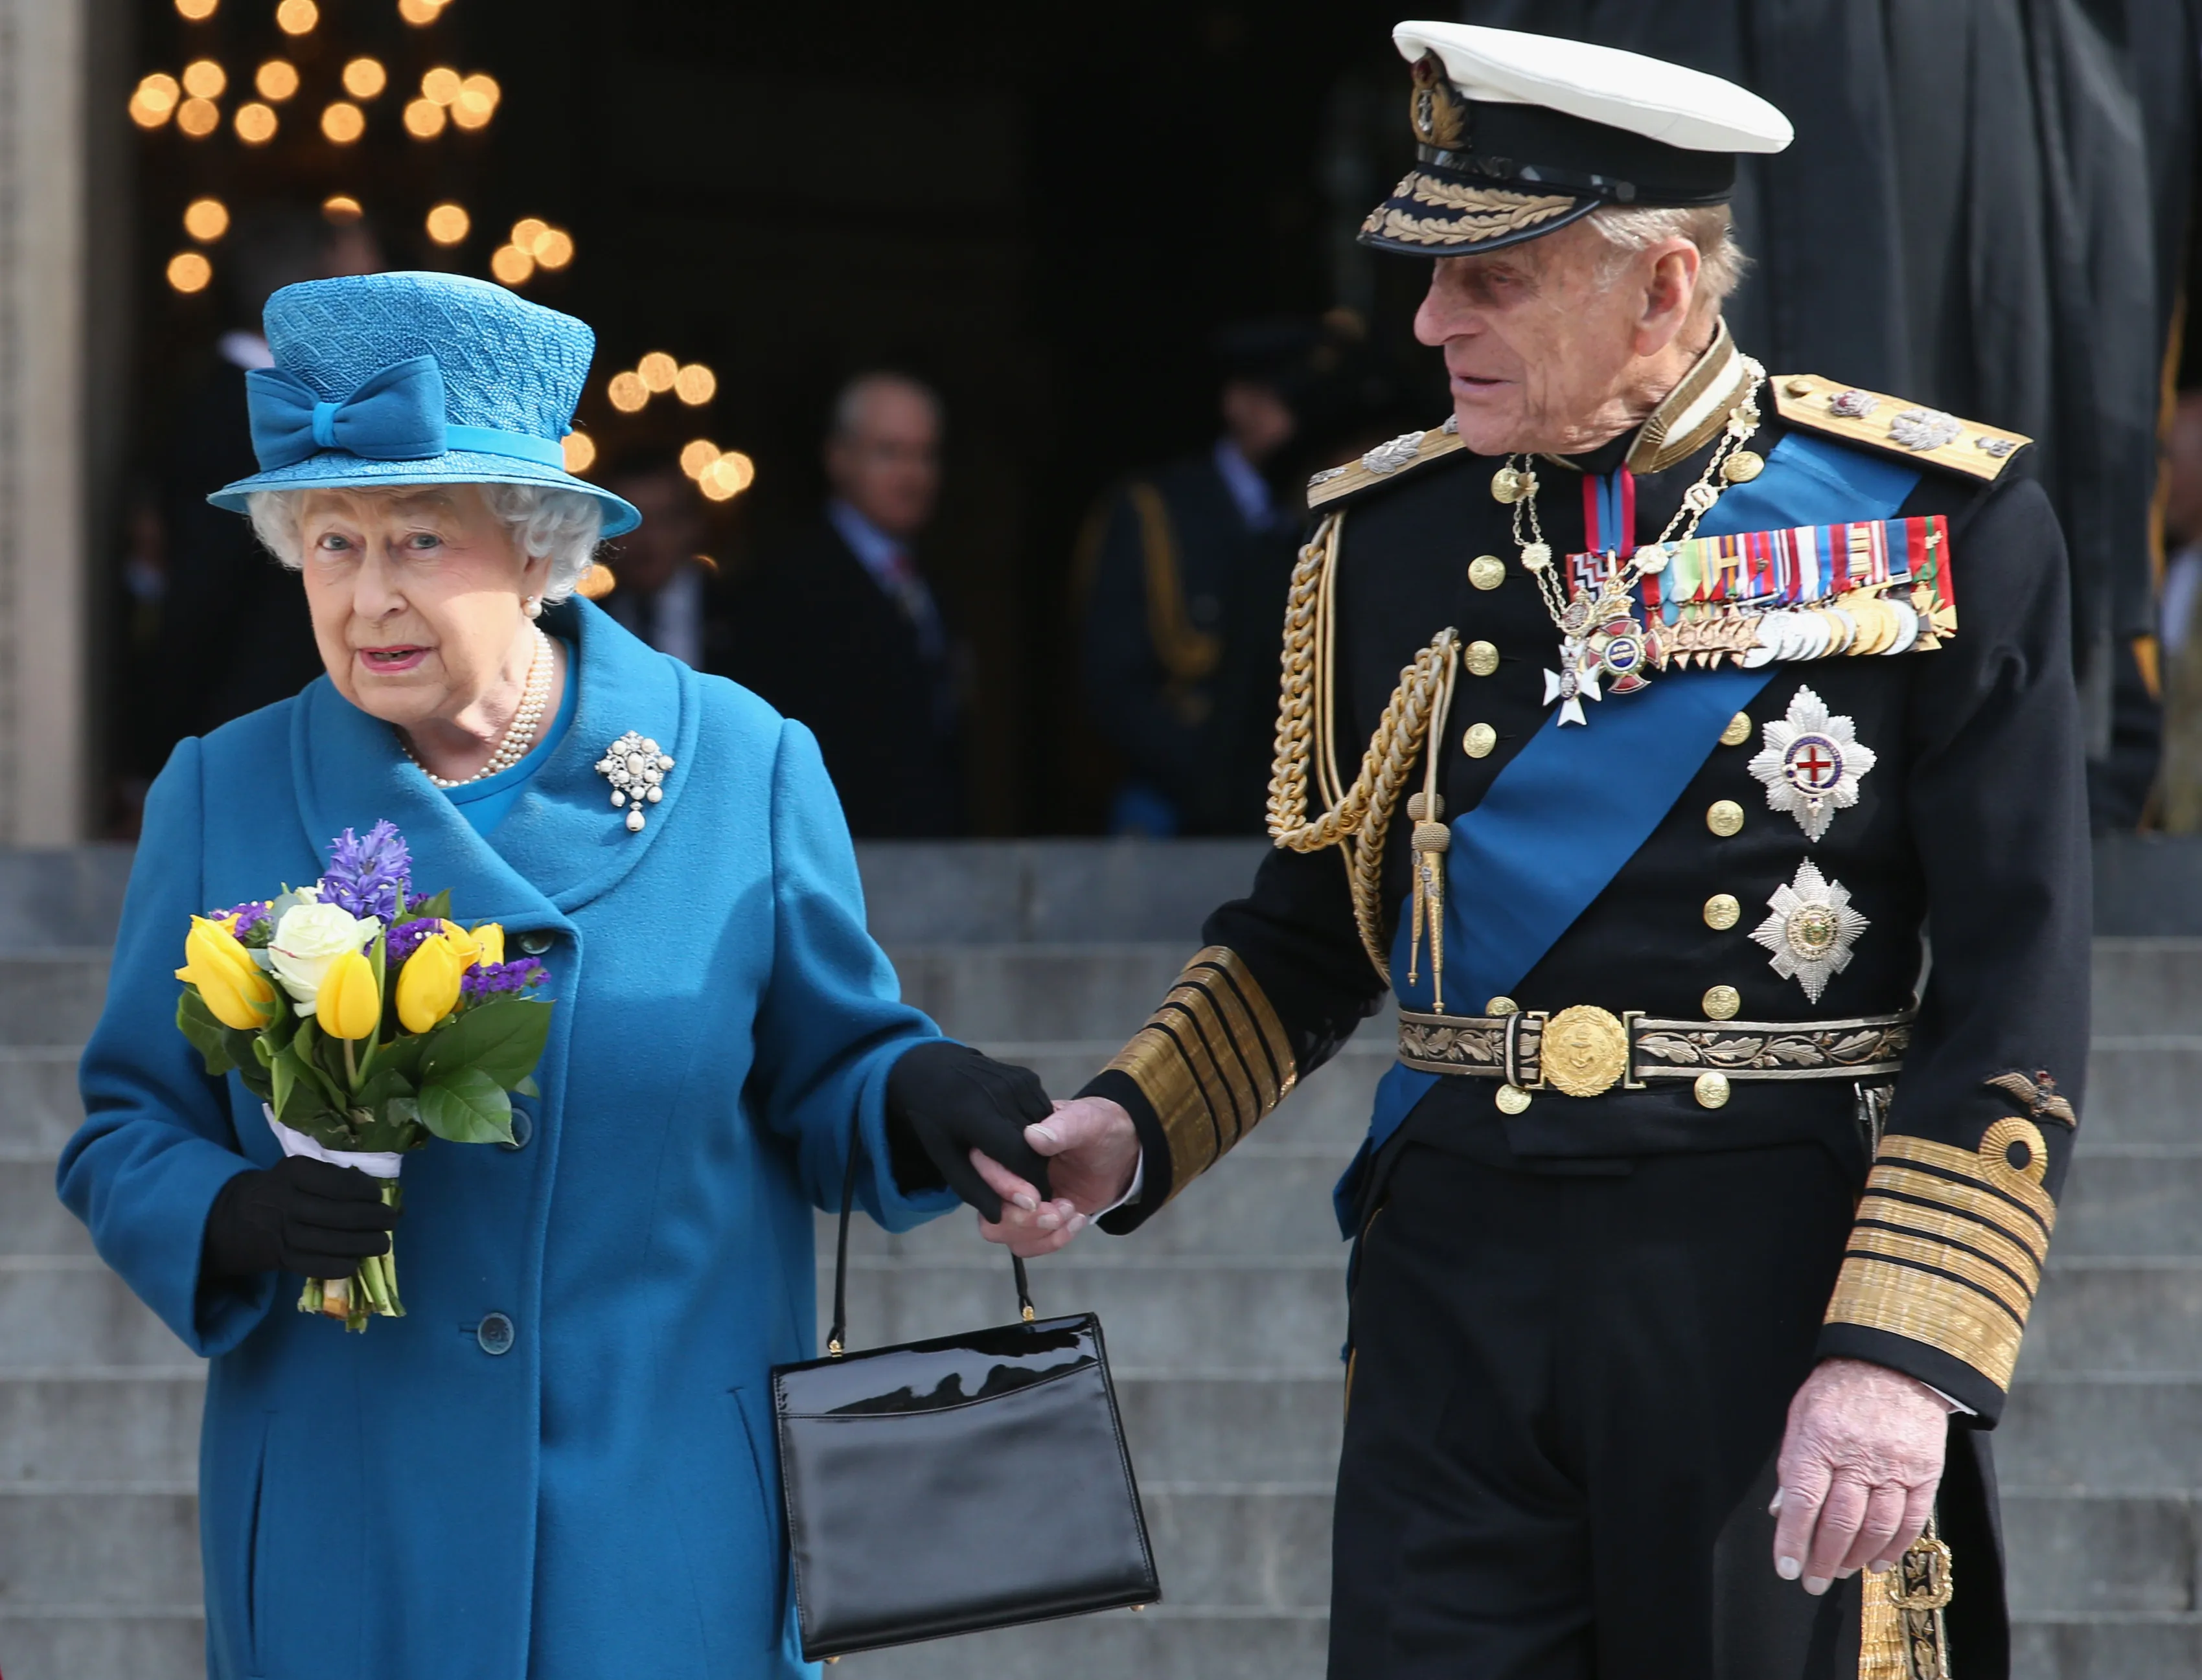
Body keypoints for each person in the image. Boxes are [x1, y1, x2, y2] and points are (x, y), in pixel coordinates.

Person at [980, 23, 2087, 1677]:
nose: (1426, 323)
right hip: (1455, 1280)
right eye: (1427, 278)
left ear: (1660, 289)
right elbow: (1311, 932)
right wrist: (1125, 1124)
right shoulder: (1381, 536)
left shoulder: (1934, 519)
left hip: (1765, 1264)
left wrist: (1899, 1351)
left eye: (1487, 279)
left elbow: (2010, 990)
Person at [58, 272, 1053, 1680]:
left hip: (663, 1532)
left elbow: (832, 1070)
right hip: (354, 1533)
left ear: (536, 552)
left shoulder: (742, 762)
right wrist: (233, 1210)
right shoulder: (221, 793)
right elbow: (122, 1132)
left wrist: (918, 1091)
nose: (369, 593)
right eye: (330, 541)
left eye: (418, 537)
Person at [1079, 317, 1371, 836]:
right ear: (1239, 402)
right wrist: (1228, 784)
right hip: (1181, 799)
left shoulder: (1327, 513)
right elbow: (1116, 688)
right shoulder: (1157, 511)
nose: (1304, 420)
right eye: (1287, 400)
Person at [149, 203, 385, 767]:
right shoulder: (227, 416)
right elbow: (198, 600)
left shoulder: (278, 405)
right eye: (365, 284)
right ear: (319, 289)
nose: (379, 307)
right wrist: (163, 755)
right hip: (255, 738)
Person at [728, 372, 965, 836]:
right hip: (836, 853)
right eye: (890, 452)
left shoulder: (931, 580)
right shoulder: (787, 586)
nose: (912, 474)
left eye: (926, 455)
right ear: (838, 458)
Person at [595, 448, 729, 670]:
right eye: (632, 523)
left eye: (663, 519)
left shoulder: (753, 616)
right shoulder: (587, 626)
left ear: (692, 526)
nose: (647, 538)